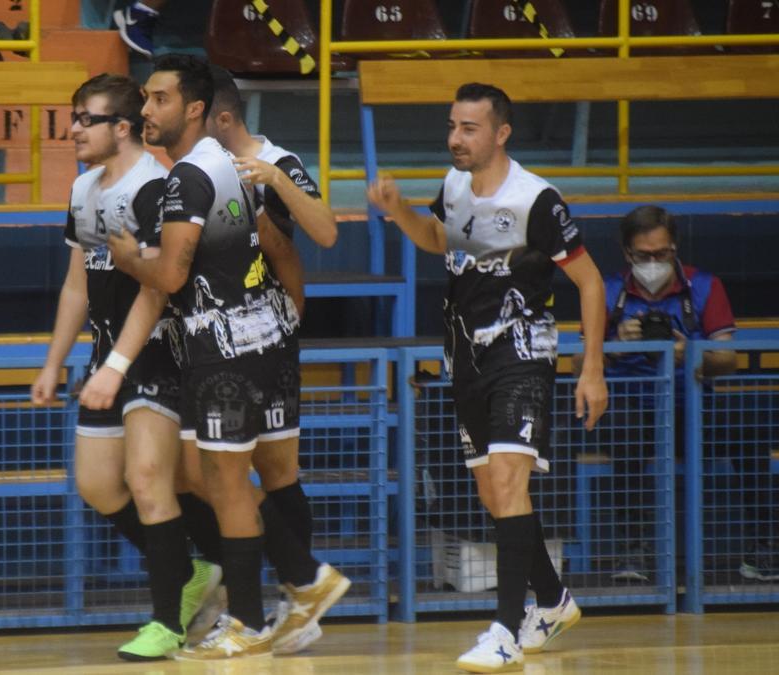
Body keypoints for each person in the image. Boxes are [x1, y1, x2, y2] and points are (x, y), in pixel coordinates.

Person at [108, 54, 350, 661]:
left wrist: (129, 258)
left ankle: (272, 603)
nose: (145, 111)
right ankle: (297, 584)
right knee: (219, 474)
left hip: (230, 345)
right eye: (144, 99)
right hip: (253, 337)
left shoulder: (207, 174)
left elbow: (171, 274)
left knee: (237, 478)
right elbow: (263, 246)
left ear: (200, 110)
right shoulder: (224, 167)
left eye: (157, 99)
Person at [367, 82, 608, 672]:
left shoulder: (536, 200)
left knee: (507, 483)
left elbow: (591, 284)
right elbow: (437, 241)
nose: (455, 138)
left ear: (501, 133)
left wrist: (591, 367)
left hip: (522, 350)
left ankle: (504, 627)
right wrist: (398, 211)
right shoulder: (453, 186)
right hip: (464, 356)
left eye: (469, 128)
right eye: (452, 126)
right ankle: (552, 599)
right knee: (494, 494)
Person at [29, 72, 219, 662]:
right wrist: (54, 362)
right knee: (96, 483)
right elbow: (76, 286)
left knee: (148, 481)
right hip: (104, 356)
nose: (74, 129)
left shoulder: (153, 188)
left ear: (122, 127)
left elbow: (158, 289)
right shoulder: (84, 189)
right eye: (74, 117)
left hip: (158, 354)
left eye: (87, 119)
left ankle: (167, 621)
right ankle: (198, 567)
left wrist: (116, 365)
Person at [203, 64, 339, 654]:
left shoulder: (278, 161)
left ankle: (297, 602)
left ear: (222, 118)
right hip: (214, 335)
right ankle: (254, 602)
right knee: (222, 475)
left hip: (269, 335)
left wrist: (274, 184)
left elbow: (325, 233)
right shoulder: (196, 170)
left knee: (276, 473)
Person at [580, 206, 755, 582]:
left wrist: (690, 355)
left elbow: (728, 358)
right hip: (628, 405)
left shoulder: (705, 286)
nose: (654, 262)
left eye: (662, 253)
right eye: (644, 256)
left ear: (675, 246)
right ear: (627, 254)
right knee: (624, 433)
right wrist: (613, 348)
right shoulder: (606, 289)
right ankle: (634, 551)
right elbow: (579, 362)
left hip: (689, 403)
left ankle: (765, 546)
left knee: (748, 433)